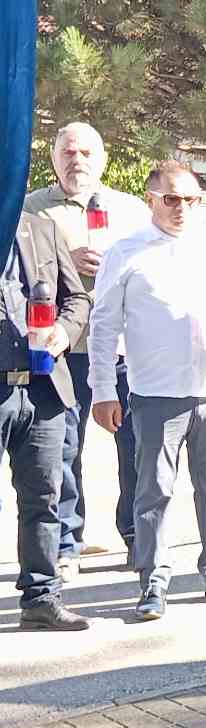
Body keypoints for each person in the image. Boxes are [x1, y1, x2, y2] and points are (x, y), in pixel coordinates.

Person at [89, 161, 206, 622]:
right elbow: (103, 326)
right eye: (171, 198)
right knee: (153, 491)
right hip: (154, 393)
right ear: (151, 200)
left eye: (191, 199)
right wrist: (103, 390)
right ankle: (153, 580)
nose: (182, 208)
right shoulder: (125, 253)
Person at [24, 123, 148, 573]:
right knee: (63, 448)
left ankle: (137, 535)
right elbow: (20, 272)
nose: (77, 159)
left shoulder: (131, 210)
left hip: (124, 348)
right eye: (68, 151)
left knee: (136, 446)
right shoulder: (32, 210)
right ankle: (66, 543)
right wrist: (63, 264)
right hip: (65, 348)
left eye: (86, 152)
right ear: (54, 158)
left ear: (103, 158)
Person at [3, 212, 91, 631]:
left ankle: (40, 597)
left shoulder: (40, 228)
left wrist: (64, 330)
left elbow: (77, 299)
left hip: (42, 389)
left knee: (43, 497)